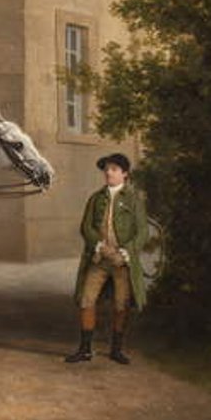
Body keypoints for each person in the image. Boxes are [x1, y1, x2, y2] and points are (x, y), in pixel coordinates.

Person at [65, 152, 148, 365]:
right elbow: (86, 227)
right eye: (107, 169)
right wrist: (100, 246)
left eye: (113, 169)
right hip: (99, 259)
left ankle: (116, 350)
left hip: (122, 262)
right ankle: (85, 350)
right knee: (86, 300)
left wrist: (125, 252)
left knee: (122, 304)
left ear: (125, 174)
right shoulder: (96, 198)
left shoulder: (134, 199)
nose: (108, 173)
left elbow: (143, 233)